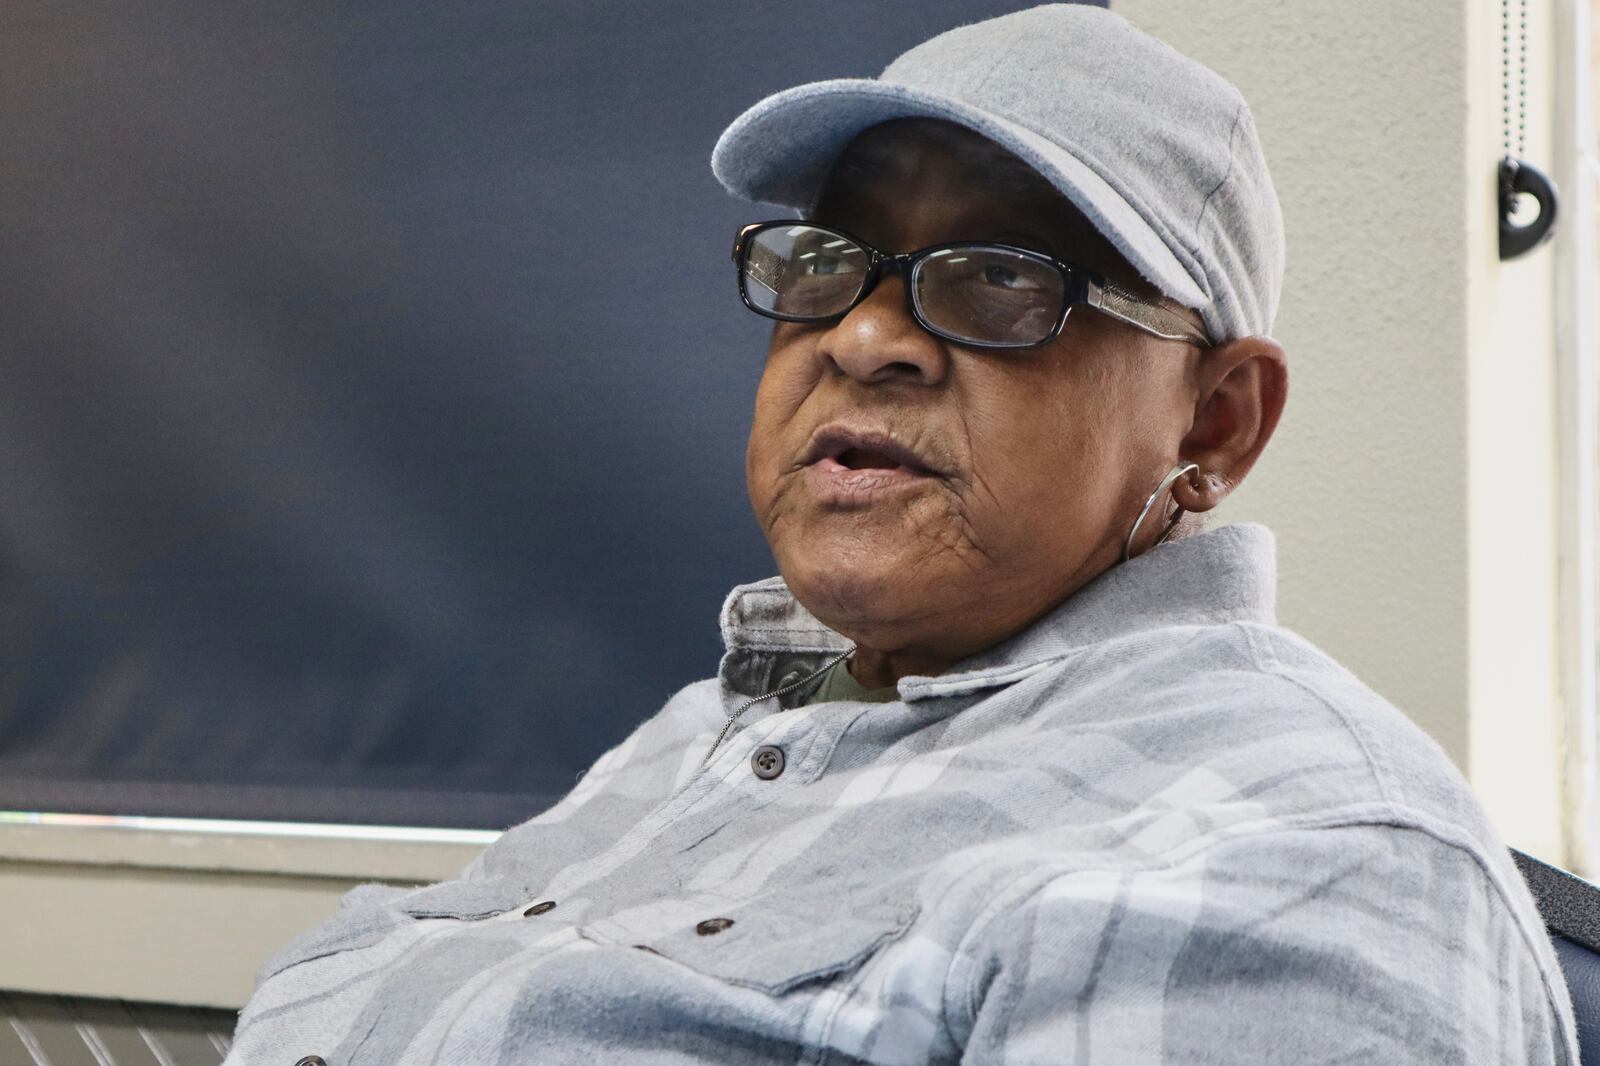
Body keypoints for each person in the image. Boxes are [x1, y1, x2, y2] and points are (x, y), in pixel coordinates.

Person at [225, 5, 1579, 1063]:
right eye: (827, 263)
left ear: (1214, 425)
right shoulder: (723, 726)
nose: (866, 336)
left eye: (1001, 277)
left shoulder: (1297, 858)